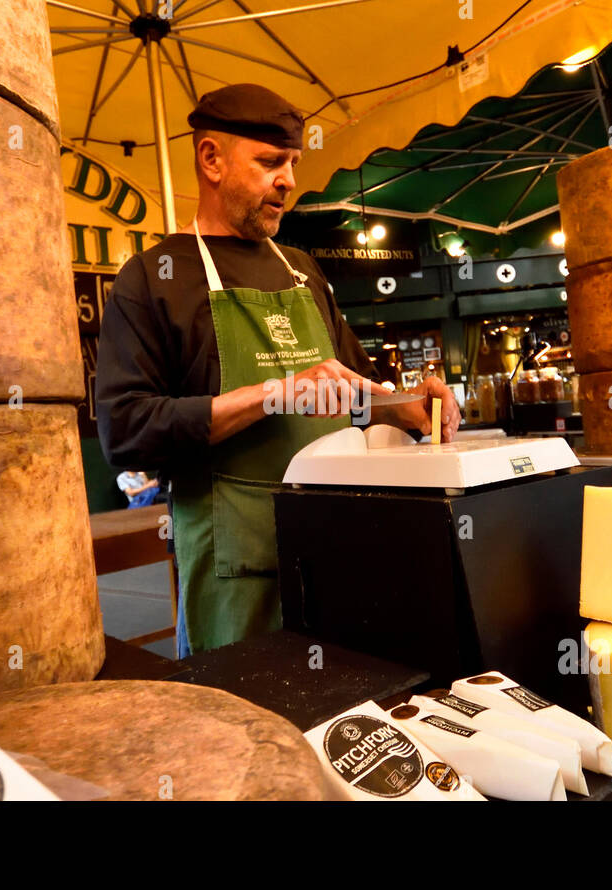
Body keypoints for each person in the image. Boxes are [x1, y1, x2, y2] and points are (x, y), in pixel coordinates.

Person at [94, 83, 459, 658]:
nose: (287, 180)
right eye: (269, 163)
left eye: (291, 163)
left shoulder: (304, 271)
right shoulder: (153, 277)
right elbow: (125, 429)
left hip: (336, 555)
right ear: (210, 159)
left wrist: (411, 406)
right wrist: (272, 394)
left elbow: (358, 394)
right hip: (232, 576)